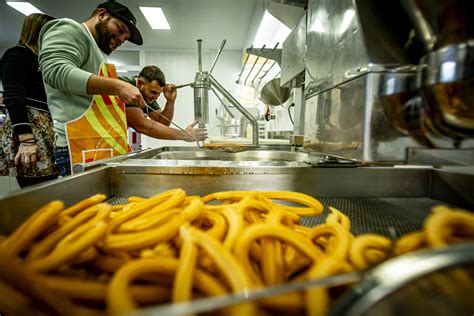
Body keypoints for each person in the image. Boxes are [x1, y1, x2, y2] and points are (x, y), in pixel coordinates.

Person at [38, 1, 146, 176]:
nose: (120, 39)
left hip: (100, 150)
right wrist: (117, 86)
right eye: (119, 30)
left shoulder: (97, 54)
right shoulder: (70, 29)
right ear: (102, 14)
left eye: (124, 38)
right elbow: (55, 71)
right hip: (78, 148)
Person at [0, 13, 59, 188]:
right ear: (40, 32)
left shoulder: (40, 59)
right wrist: (26, 140)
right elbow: (13, 97)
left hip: (43, 126)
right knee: (37, 191)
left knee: (47, 187)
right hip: (30, 128)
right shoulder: (18, 54)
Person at [120, 66, 207, 142]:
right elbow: (140, 125)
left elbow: (163, 122)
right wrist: (182, 134)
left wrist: (170, 101)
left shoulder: (146, 95)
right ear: (139, 83)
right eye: (154, 92)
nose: (156, 97)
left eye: (159, 93)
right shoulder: (128, 87)